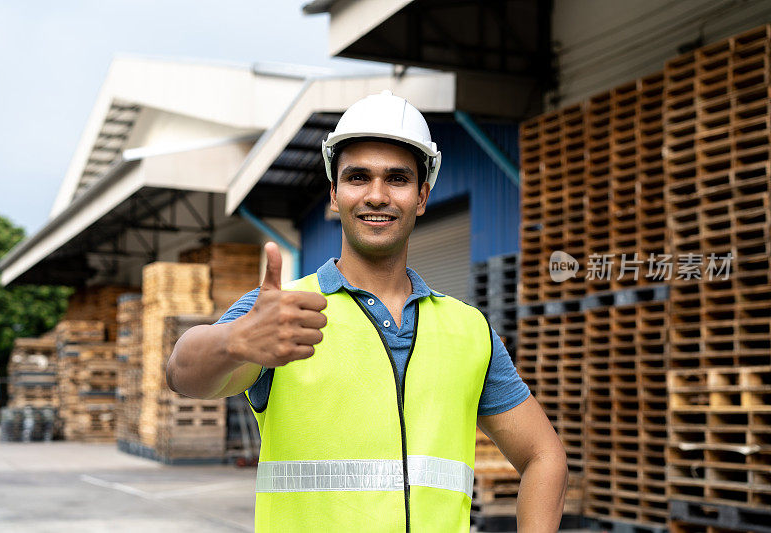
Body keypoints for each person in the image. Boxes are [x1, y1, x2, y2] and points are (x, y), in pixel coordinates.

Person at [166, 91, 567, 532]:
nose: (377, 195)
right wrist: (233, 341)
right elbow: (183, 374)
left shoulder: (468, 331)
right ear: (335, 195)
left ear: (422, 196)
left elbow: (544, 456)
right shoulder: (283, 313)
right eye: (358, 178)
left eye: (397, 179)